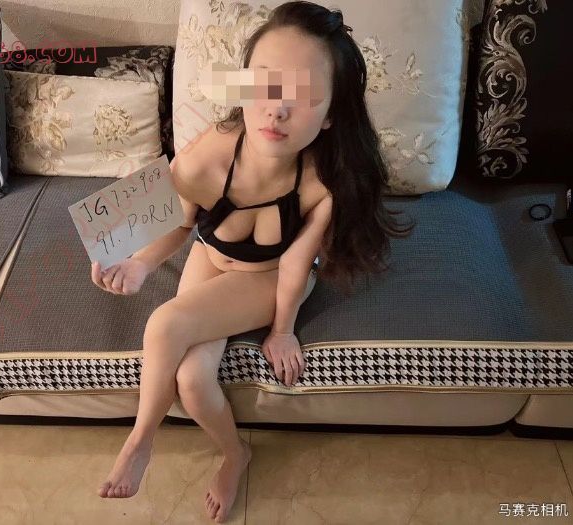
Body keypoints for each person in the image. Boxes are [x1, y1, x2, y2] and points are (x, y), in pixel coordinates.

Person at [92, 1, 415, 522]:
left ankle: (139, 442)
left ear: (331, 114)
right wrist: (140, 264)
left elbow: (295, 265)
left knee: (164, 324)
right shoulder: (212, 150)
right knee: (193, 381)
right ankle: (235, 454)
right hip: (212, 257)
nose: (277, 109)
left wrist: (282, 330)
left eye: (302, 96)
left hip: (271, 277)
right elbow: (179, 219)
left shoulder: (322, 183)